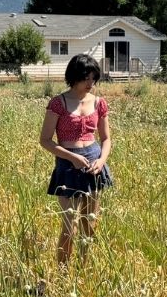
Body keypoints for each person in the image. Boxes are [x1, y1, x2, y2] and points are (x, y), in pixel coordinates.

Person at [40, 54, 113, 265]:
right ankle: (63, 273)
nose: (91, 84)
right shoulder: (58, 103)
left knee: (89, 224)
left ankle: (84, 267)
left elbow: (107, 139)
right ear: (74, 77)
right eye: (86, 78)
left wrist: (101, 161)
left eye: (93, 79)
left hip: (94, 166)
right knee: (69, 227)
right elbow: (45, 140)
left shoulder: (99, 103)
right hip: (67, 166)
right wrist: (72, 157)